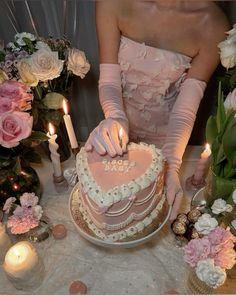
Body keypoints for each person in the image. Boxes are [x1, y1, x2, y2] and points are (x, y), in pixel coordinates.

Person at [85, 0, 230, 219]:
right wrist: (115, 116)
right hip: (115, 136)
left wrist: (171, 165)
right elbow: (109, 82)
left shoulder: (213, 24)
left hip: (168, 144)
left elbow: (185, 109)